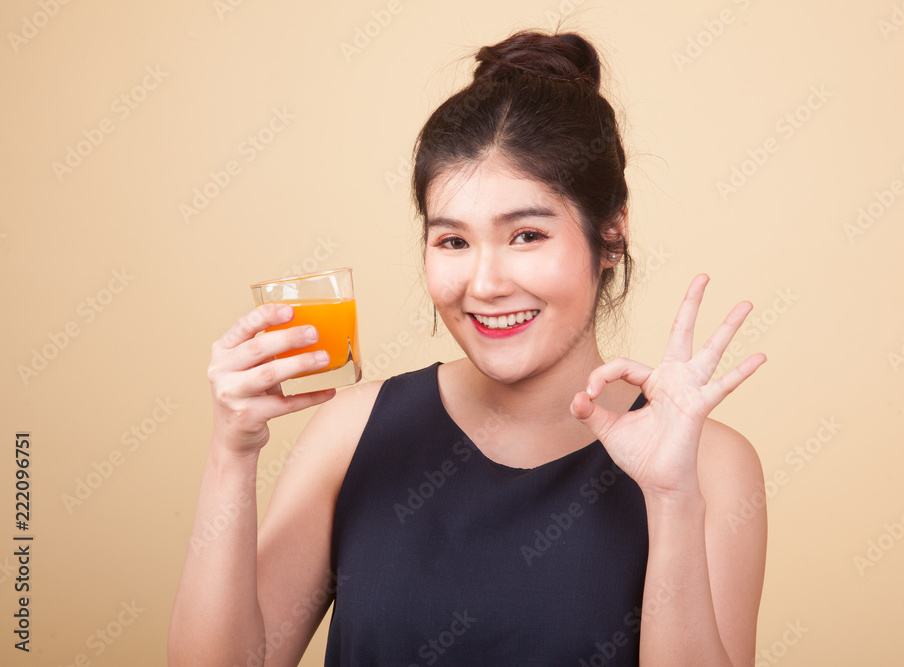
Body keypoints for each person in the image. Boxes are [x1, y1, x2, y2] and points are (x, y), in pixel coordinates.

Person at [168, 30, 767, 666]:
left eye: (527, 235)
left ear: (611, 233)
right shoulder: (354, 429)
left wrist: (671, 502)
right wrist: (231, 453)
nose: (484, 284)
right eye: (453, 242)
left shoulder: (710, 466)